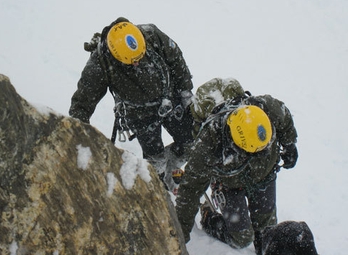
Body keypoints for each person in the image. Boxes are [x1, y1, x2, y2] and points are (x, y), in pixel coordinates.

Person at [175, 78, 299, 255]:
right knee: (241, 238)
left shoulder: (265, 108)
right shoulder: (209, 144)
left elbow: (284, 116)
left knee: (267, 233)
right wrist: (180, 236)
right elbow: (190, 190)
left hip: (264, 176)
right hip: (230, 185)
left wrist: (289, 144)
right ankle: (209, 218)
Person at [69, 17, 194, 190]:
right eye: (132, 61)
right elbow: (82, 102)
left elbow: (176, 60)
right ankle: (157, 181)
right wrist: (78, 133)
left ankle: (171, 168)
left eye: (140, 57)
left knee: (190, 141)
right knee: (154, 157)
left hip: (170, 100)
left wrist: (185, 91)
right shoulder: (100, 63)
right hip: (141, 116)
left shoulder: (150, 35)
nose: (138, 63)